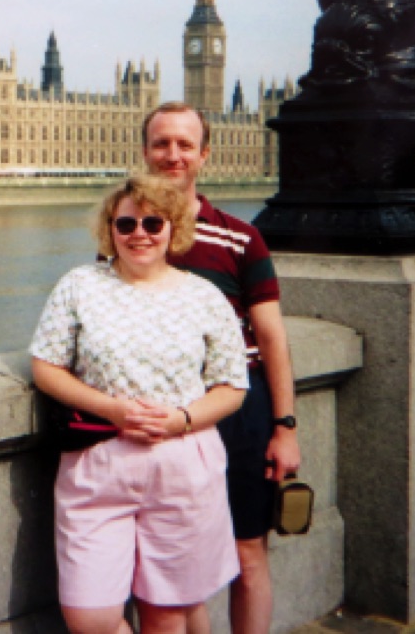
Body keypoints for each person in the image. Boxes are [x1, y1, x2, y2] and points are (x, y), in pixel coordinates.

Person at [31, 174, 249, 634]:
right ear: (110, 228)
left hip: (182, 464)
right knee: (90, 620)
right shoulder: (79, 285)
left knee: (165, 615)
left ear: (173, 229)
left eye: (153, 222)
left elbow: (232, 385)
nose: (139, 234)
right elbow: (46, 368)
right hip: (99, 463)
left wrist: (181, 420)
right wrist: (110, 408)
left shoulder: (204, 296)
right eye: (126, 223)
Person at [141, 101, 302, 634]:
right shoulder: (127, 236)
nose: (173, 154)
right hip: (161, 417)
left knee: (246, 551)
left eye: (185, 144)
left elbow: (273, 339)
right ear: (145, 152)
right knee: (171, 557)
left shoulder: (240, 237)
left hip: (238, 411)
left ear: (204, 155)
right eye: (162, 143)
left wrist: (284, 428)